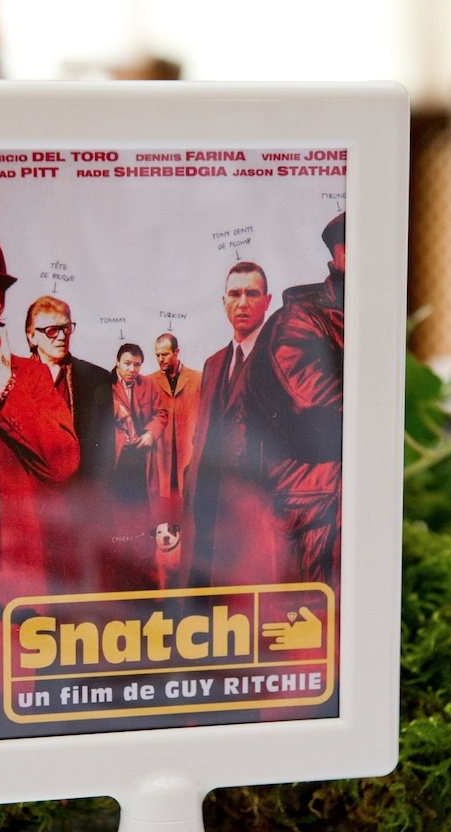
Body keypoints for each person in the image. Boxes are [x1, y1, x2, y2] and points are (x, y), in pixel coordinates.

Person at [0, 230, 78, 730]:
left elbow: (63, 461)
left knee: (11, 717)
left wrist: (2, 385)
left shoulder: (30, 377)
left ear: (1, 304)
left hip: (9, 591)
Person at [247, 212, 345, 592]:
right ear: (337, 255)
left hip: (338, 497)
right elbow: (314, 405)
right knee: (318, 615)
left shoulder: (368, 311)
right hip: (318, 503)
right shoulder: (298, 320)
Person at [183, 261, 279, 587]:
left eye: (252, 294)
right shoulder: (213, 364)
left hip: (254, 511)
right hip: (208, 513)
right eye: (235, 294)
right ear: (223, 301)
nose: (243, 303)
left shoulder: (279, 358)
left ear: (267, 301)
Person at [24, 294, 113, 592]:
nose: (61, 336)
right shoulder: (12, 378)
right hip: (30, 503)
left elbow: (104, 449)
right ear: (31, 336)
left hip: (80, 503)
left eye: (66, 328)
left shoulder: (97, 378)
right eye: (51, 330)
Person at [106, 342, 168, 590]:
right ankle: (122, 574)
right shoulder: (104, 384)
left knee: (144, 516)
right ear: (117, 362)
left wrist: (151, 434)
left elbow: (161, 413)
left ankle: (146, 576)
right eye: (127, 364)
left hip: (142, 461)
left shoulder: (148, 384)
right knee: (118, 516)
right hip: (115, 462)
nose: (132, 369)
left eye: (137, 365)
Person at [148, 332, 201, 526]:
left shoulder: (198, 379)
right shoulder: (149, 382)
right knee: (162, 512)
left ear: (176, 352)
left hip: (188, 455)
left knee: (189, 512)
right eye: (157, 355)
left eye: (164, 354)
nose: (160, 359)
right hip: (160, 458)